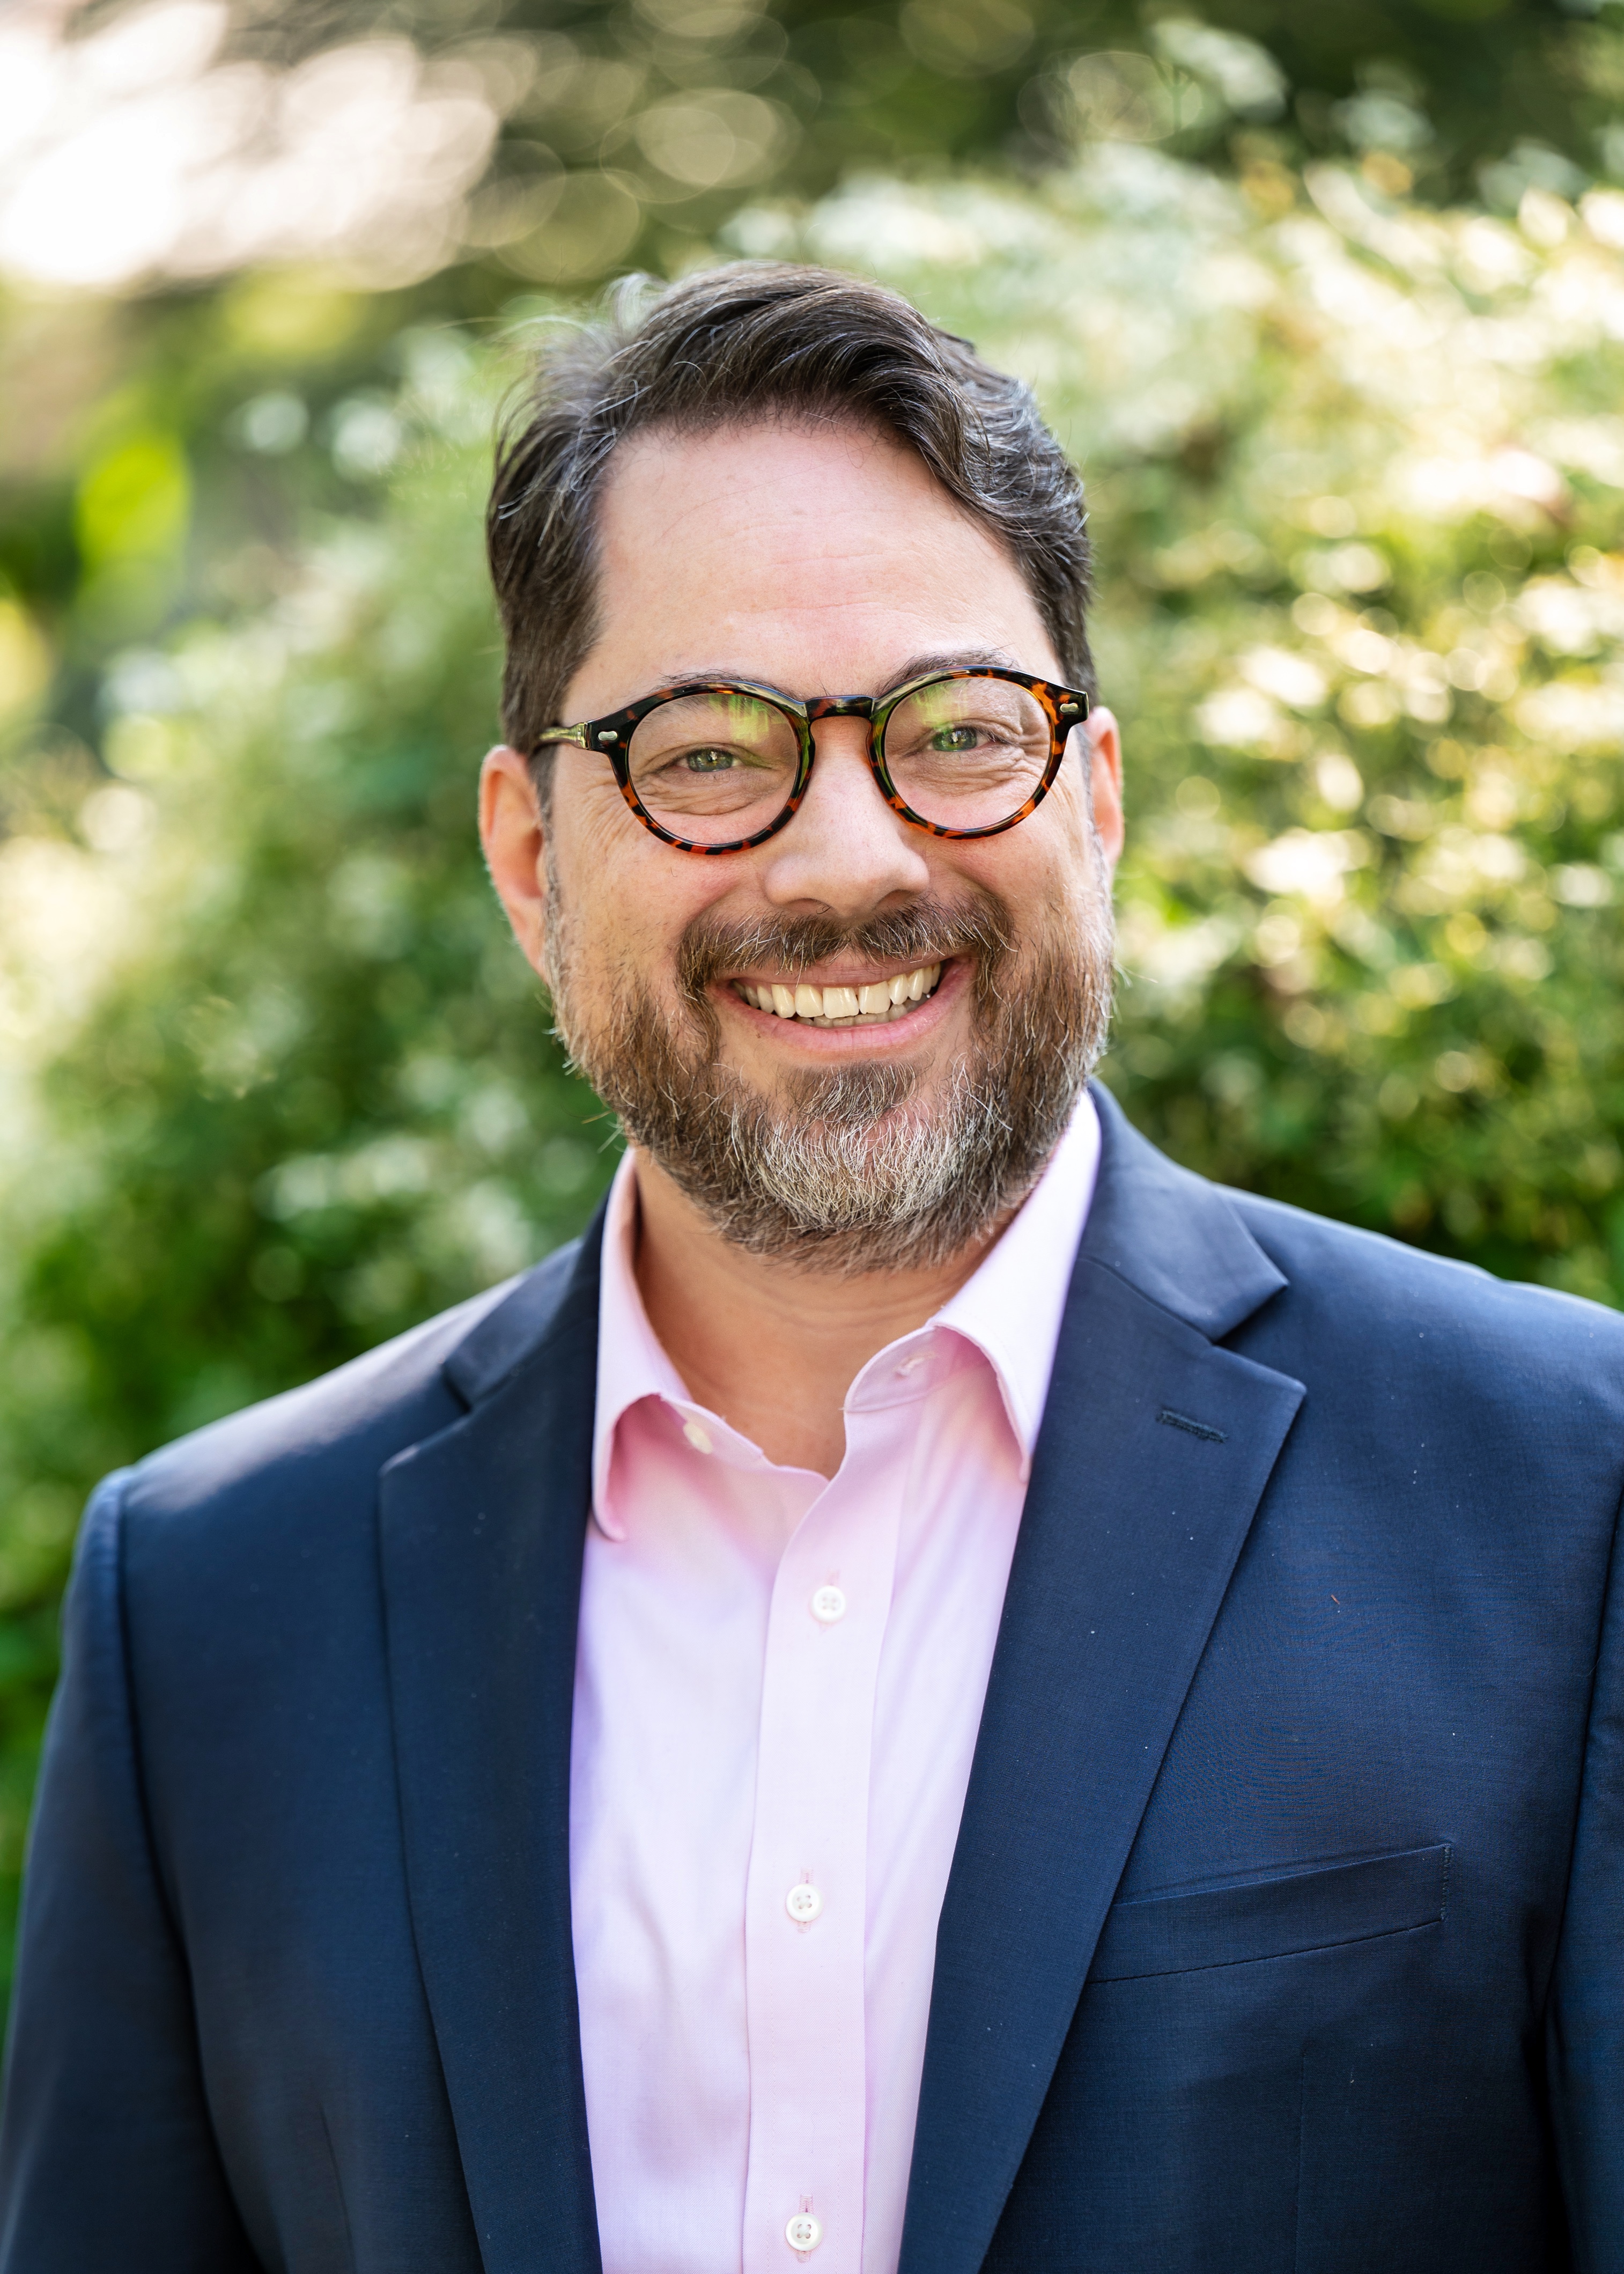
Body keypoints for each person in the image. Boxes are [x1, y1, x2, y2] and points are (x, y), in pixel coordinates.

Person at [2, 262, 1622, 2274]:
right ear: (531, 858)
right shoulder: (213, 1606)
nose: (850, 859)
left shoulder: (1560, 1491)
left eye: (957, 732)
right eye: (704, 753)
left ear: (1095, 802)